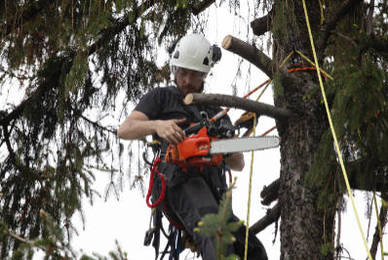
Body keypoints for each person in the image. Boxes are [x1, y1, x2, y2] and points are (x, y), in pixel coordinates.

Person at [117, 34, 267, 260]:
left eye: (194, 75)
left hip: (214, 193)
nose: (187, 80)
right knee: (214, 237)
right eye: (182, 73)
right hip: (179, 179)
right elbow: (125, 129)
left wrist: (224, 147)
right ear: (175, 69)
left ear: (204, 76)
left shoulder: (217, 111)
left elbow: (239, 163)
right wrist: (158, 125)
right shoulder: (162, 97)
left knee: (253, 251)